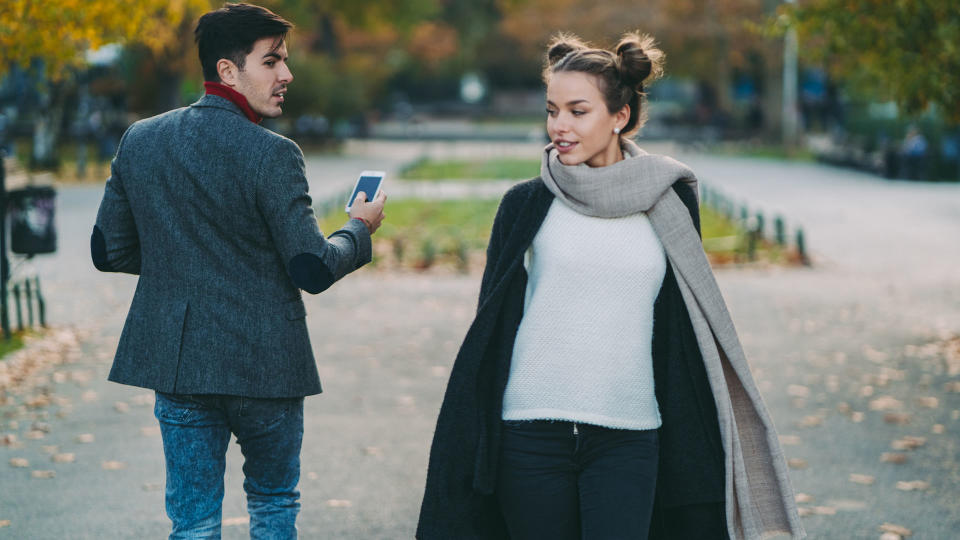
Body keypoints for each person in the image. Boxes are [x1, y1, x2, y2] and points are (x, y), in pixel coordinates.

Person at [417, 32, 803, 540]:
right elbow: (491, 328)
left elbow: (682, 331)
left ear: (619, 117)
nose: (559, 126)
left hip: (629, 433)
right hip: (531, 428)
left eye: (578, 111)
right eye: (552, 110)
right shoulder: (526, 204)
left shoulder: (667, 202)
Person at [91, 3, 386, 538]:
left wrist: (181, 263)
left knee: (192, 521)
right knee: (273, 505)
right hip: (265, 365)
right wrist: (359, 228)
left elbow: (108, 251)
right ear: (228, 70)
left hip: (179, 366)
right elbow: (312, 268)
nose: (287, 75)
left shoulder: (141, 139)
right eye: (272, 61)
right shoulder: (273, 154)